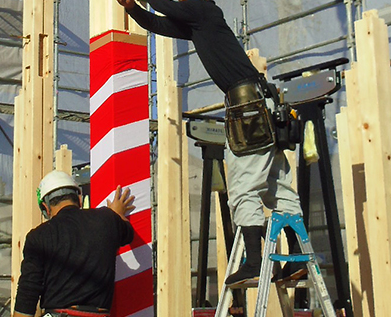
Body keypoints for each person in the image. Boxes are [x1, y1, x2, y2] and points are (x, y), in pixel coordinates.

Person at [118, 0, 306, 284]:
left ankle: (255, 262)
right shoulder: (197, 21)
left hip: (249, 109)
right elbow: (156, 23)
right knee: (276, 186)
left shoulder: (202, 9)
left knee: (244, 189)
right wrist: (133, 8)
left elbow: (167, 9)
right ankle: (297, 257)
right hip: (257, 105)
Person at [10, 170, 136, 317]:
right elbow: (127, 233)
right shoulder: (107, 221)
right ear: (78, 197)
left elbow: (27, 295)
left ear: (46, 208)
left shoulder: (39, 236)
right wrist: (116, 215)